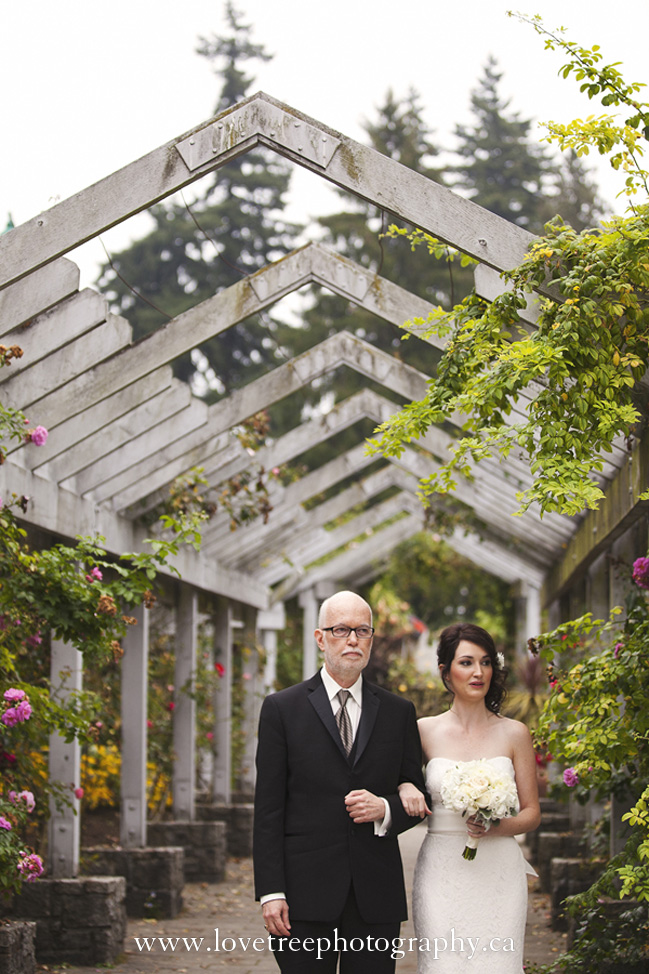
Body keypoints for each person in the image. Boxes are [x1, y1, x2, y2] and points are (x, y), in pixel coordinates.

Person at [253, 590, 427, 973]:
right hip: (301, 896)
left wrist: (385, 808)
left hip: (375, 895)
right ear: (320, 638)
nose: (352, 639)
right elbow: (268, 810)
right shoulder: (282, 709)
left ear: (371, 638)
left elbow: (415, 792)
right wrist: (270, 891)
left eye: (362, 631)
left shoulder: (399, 713)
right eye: (341, 629)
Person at [398, 622, 541, 973]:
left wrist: (493, 827)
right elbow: (402, 782)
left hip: (499, 873)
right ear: (446, 672)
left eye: (486, 662)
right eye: (467, 662)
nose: (478, 672)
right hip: (441, 871)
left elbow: (532, 813)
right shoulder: (422, 730)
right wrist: (405, 787)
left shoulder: (515, 733)